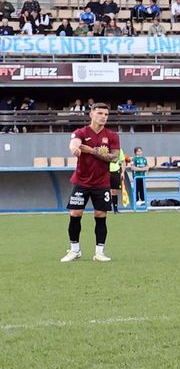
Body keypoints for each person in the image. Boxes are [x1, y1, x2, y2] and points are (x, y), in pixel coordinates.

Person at [62, 103, 119, 263]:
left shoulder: (112, 135)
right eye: (100, 113)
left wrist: (92, 151)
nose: (103, 117)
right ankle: (74, 250)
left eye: (106, 114)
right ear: (91, 114)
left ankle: (99, 252)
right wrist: (75, 149)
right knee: (75, 214)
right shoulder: (81, 132)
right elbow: (74, 142)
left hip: (101, 182)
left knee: (100, 215)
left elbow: (113, 156)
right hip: (81, 181)